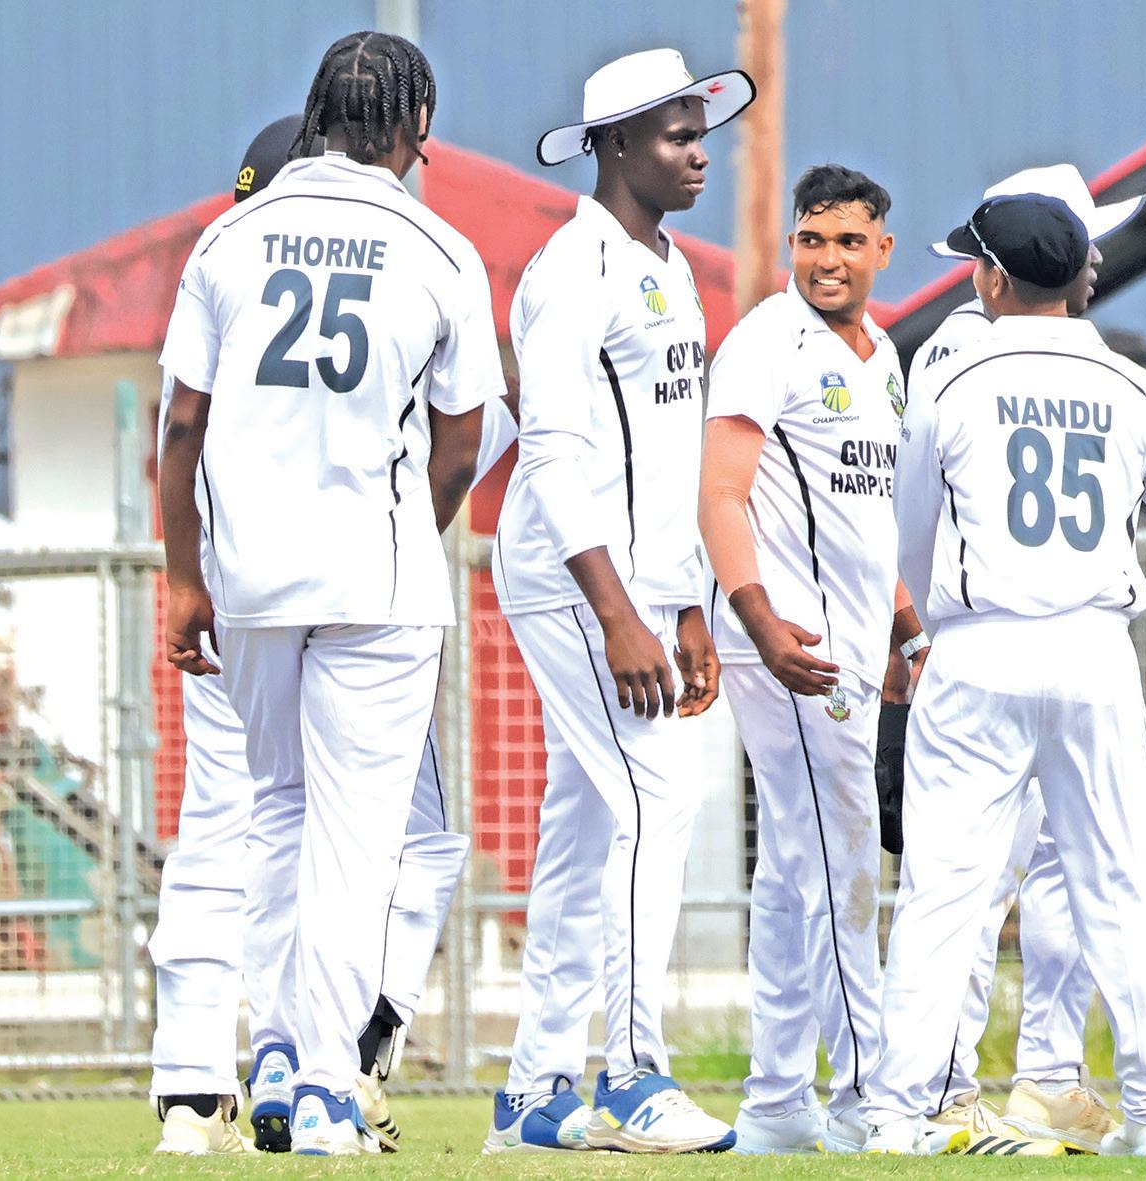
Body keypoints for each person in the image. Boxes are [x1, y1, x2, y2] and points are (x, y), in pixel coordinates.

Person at [157, 30, 498, 1156]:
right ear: (411, 130)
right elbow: (463, 441)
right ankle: (322, 1085)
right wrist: (405, 536)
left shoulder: (227, 238)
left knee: (276, 814)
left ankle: (271, 1051)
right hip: (378, 575)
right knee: (360, 841)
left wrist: (183, 576)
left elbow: (183, 425)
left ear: (314, 116)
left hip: (251, 576)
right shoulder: (440, 248)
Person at [863, 192, 1146, 1157]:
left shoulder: (951, 378)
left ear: (990, 277)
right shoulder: (1132, 385)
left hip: (978, 647)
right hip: (1094, 648)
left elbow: (909, 536)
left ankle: (896, 1113)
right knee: (1122, 886)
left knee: (942, 892)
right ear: (1075, 276)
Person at [482, 47, 750, 1156]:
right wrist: (617, 613)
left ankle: (533, 1094)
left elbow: (667, 451)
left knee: (588, 820)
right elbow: (549, 450)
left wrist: (683, 604)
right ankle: (633, 1073)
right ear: (615, 145)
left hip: (642, 585)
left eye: (701, 132)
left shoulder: (669, 264)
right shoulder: (571, 268)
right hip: (570, 577)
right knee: (659, 795)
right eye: (677, 135)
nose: (699, 153)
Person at [902, 163, 1142, 1153]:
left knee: (1054, 874)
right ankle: (945, 1083)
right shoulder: (968, 350)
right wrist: (922, 629)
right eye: (1082, 240)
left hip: (1022, 646)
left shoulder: (1008, 349)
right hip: (992, 643)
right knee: (974, 877)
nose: (1094, 261)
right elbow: (918, 522)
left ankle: (1047, 1071)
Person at [698, 164, 910, 1155]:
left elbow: (871, 517)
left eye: (847, 242)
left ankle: (778, 1101)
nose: (827, 260)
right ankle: (870, 1100)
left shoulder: (883, 354)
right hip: (791, 650)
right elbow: (720, 494)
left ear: (881, 251)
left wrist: (904, 628)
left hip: (855, 650)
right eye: (811, 240)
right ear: (791, 244)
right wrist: (759, 621)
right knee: (843, 861)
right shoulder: (764, 343)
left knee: (796, 868)